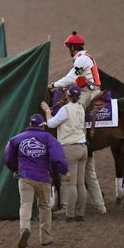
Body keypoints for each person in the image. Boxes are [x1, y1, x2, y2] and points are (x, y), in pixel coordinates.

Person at [48, 31, 106, 214]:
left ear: (73, 47)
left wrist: (54, 85)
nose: (69, 51)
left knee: (74, 110)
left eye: (69, 48)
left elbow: (72, 77)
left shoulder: (81, 59)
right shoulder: (84, 57)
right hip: (89, 87)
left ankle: (79, 137)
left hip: (90, 91)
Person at [4, 113, 69, 248]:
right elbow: (57, 156)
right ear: (42, 125)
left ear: (30, 124)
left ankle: (25, 228)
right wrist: (64, 170)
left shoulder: (17, 139)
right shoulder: (47, 138)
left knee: (25, 204)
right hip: (43, 176)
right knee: (44, 206)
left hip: (25, 176)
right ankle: (45, 237)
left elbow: (8, 158)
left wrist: (17, 168)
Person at [40, 84, 87, 222]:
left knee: (70, 183)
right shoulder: (81, 108)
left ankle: (70, 214)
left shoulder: (65, 109)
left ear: (67, 95)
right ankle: (80, 213)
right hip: (82, 146)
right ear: (79, 96)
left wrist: (47, 110)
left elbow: (51, 124)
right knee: (80, 183)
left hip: (70, 147)